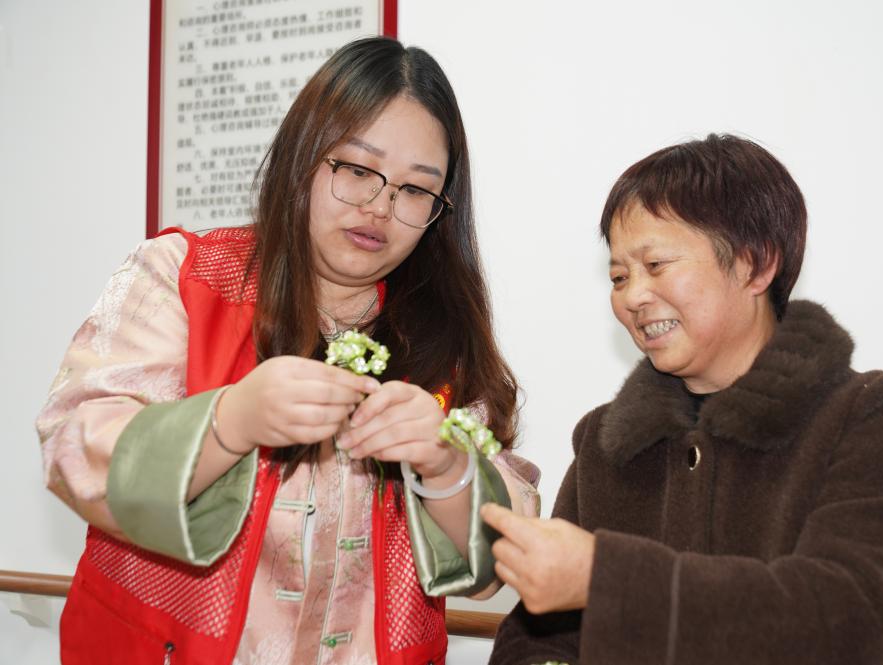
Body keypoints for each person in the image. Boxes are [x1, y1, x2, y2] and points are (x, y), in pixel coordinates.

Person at [36, 37, 540, 665]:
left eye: (416, 190)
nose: (380, 207)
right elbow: (73, 450)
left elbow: (506, 552)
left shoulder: (444, 338)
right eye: (358, 169)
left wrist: (445, 466)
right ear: (303, 156)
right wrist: (229, 422)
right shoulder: (182, 275)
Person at [483, 134, 883, 665]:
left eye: (656, 265)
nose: (632, 296)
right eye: (619, 276)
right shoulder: (605, 442)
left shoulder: (875, 419)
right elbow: (539, 637)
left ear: (755, 264)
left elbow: (851, 620)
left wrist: (606, 578)